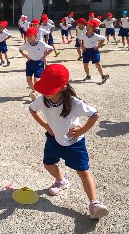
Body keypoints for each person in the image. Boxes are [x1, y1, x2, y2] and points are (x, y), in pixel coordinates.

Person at [29, 64, 109, 220]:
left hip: (75, 144)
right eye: (44, 88)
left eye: (49, 89)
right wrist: (46, 126)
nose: (45, 92)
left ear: (62, 87)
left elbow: (95, 115)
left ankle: (94, 204)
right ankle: (61, 180)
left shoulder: (74, 103)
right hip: (53, 141)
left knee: (83, 172)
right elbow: (32, 110)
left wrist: (81, 130)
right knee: (48, 164)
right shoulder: (43, 99)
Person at [19, 27, 53, 101]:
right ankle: (35, 91)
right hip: (30, 63)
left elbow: (51, 49)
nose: (28, 38)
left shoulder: (41, 44)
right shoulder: (27, 44)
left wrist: (43, 57)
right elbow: (20, 50)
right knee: (28, 80)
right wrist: (27, 57)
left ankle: (35, 92)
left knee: (36, 80)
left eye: (30, 36)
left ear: (35, 36)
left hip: (39, 63)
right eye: (27, 36)